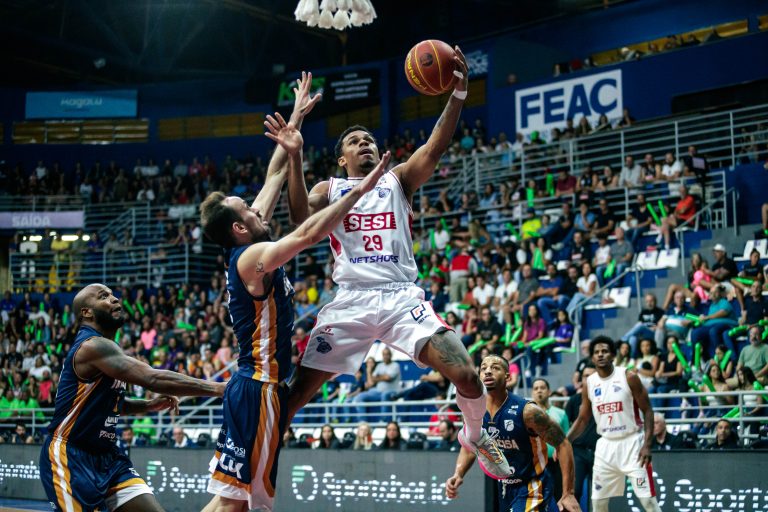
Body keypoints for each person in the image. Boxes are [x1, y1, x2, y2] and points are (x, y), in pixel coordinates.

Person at [285, 49, 512, 479]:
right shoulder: (328, 189)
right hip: (351, 301)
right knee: (293, 398)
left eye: (369, 139)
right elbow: (299, 221)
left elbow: (435, 146)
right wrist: (294, 155)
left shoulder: (398, 179)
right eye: (355, 141)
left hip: (400, 298)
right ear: (341, 158)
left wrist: (458, 93)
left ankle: (475, 435)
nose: (365, 143)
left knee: (467, 375)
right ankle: (252, 479)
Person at [198, 73, 386, 512]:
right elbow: (306, 235)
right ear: (239, 227)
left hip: (254, 387)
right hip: (259, 388)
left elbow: (276, 174)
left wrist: (295, 123)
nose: (256, 206)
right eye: (247, 208)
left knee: (233, 500)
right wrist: (358, 191)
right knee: (239, 503)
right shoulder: (252, 257)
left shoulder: (249, 237)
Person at [39, 283, 225, 512]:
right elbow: (152, 378)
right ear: (87, 312)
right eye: (104, 296)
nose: (114, 299)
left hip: (108, 457)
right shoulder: (91, 346)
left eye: (113, 294)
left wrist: (148, 405)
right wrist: (218, 389)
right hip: (71, 455)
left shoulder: (108, 348)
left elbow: (110, 405)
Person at [445, 355, 581, 511]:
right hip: (505, 487)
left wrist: (568, 493)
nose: (488, 371)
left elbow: (563, 444)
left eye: (495, 368)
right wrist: (458, 473)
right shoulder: (473, 412)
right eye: (483, 368)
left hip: (533, 484)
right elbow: (471, 445)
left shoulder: (528, 411)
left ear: (508, 377)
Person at [567, 336, 662, 512]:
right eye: (596, 352)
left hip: (633, 444)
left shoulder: (629, 376)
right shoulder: (590, 383)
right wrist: (565, 441)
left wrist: (647, 445)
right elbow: (582, 419)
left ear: (612, 355)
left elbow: (648, 410)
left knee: (648, 501)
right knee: (598, 504)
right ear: (592, 357)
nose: (600, 354)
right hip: (605, 446)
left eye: (604, 351)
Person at [532, 378, 570, 502]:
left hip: (556, 463)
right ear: (532, 393)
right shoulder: (527, 415)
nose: (539, 391)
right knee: (538, 499)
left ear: (549, 392)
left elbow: (566, 439)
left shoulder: (561, 413)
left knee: (559, 497)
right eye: (536, 388)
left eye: (542, 388)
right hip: (535, 463)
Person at [564, 365, 598, 505]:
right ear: (581, 379)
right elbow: (566, 424)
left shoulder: (604, 398)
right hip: (578, 452)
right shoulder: (574, 401)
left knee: (600, 494)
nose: (588, 379)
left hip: (600, 451)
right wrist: (563, 444)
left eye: (592, 375)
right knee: (575, 491)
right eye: (585, 376)